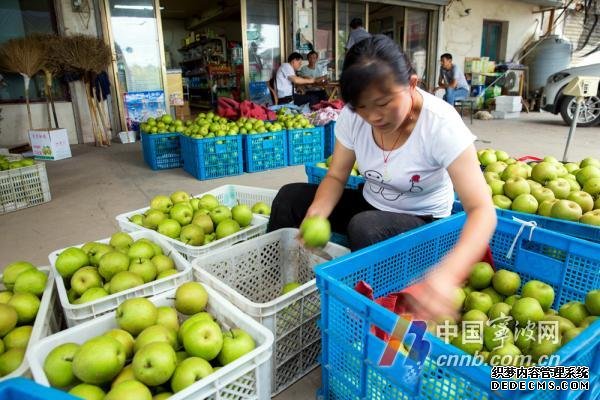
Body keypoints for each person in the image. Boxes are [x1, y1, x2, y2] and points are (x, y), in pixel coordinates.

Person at [267, 35, 496, 320]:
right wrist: (318, 212)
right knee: (289, 197)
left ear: (412, 84)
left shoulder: (441, 125)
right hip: (371, 202)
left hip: (422, 220)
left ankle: (366, 310)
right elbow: (337, 176)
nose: (373, 116)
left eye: (383, 103)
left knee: (364, 227)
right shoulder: (353, 117)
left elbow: (482, 210)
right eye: (361, 107)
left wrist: (447, 276)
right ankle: (274, 289)